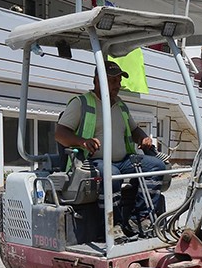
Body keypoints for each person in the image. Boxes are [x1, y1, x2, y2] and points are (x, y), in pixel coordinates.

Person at [55, 61, 165, 240]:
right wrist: (83, 142)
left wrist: (143, 138)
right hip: (91, 161)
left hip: (122, 161)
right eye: (112, 81)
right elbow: (60, 134)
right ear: (98, 80)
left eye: (118, 80)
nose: (117, 85)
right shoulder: (81, 103)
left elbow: (134, 129)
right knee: (111, 174)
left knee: (156, 166)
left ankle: (140, 218)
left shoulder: (120, 105)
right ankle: (113, 225)